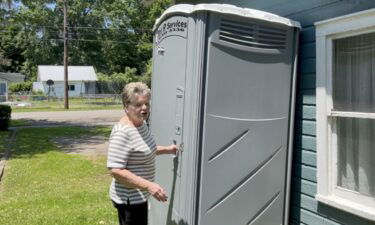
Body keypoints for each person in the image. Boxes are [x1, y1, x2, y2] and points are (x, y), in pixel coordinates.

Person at [107, 82, 177, 225]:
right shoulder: (123, 132)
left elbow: (146, 148)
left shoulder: (141, 124)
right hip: (129, 200)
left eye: (147, 103)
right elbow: (116, 170)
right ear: (126, 107)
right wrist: (149, 185)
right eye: (138, 105)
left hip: (140, 195)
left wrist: (168, 149)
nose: (144, 108)